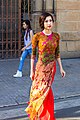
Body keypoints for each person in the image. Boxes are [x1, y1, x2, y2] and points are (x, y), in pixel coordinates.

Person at [25, 12, 66, 120]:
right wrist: (31, 71)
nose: (49, 23)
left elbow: (57, 54)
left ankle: (47, 115)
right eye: (46, 21)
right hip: (40, 68)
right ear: (42, 23)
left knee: (46, 90)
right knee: (37, 91)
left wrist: (61, 68)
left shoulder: (56, 36)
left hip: (51, 67)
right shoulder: (37, 36)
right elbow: (33, 55)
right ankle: (39, 111)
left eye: (51, 21)